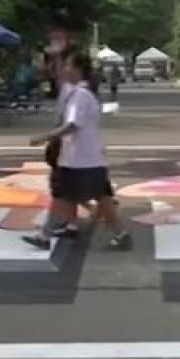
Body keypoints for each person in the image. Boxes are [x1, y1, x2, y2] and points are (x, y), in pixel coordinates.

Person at [22, 52, 131, 251]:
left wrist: (44, 137)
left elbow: (72, 125)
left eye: (68, 66)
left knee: (64, 197)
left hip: (78, 159)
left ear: (77, 70)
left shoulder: (80, 95)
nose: (64, 70)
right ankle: (120, 233)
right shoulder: (80, 93)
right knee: (100, 198)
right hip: (88, 158)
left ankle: (45, 235)